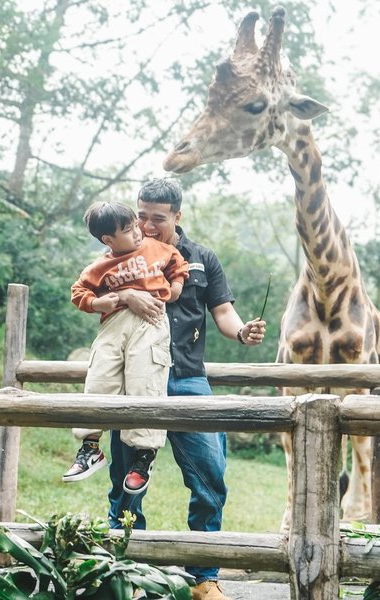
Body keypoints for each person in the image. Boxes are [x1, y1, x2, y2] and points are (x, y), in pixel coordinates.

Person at [108, 178, 266, 600]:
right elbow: (94, 301)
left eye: (157, 218)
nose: (146, 225)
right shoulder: (121, 253)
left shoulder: (202, 259)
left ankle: (204, 577)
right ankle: (128, 574)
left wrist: (243, 332)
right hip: (136, 380)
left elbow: (224, 313)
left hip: (188, 380)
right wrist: (126, 296)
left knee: (210, 476)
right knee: (126, 479)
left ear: (178, 216)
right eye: (140, 215)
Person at [63, 201, 189, 496]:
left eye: (135, 225)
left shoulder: (156, 249)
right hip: (113, 325)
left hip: (150, 322)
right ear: (108, 240)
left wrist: (175, 288)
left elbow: (177, 264)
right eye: (130, 229)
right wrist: (97, 303)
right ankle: (90, 448)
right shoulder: (100, 266)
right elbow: (79, 292)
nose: (139, 232)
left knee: (145, 381)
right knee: (99, 380)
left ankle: (144, 455)